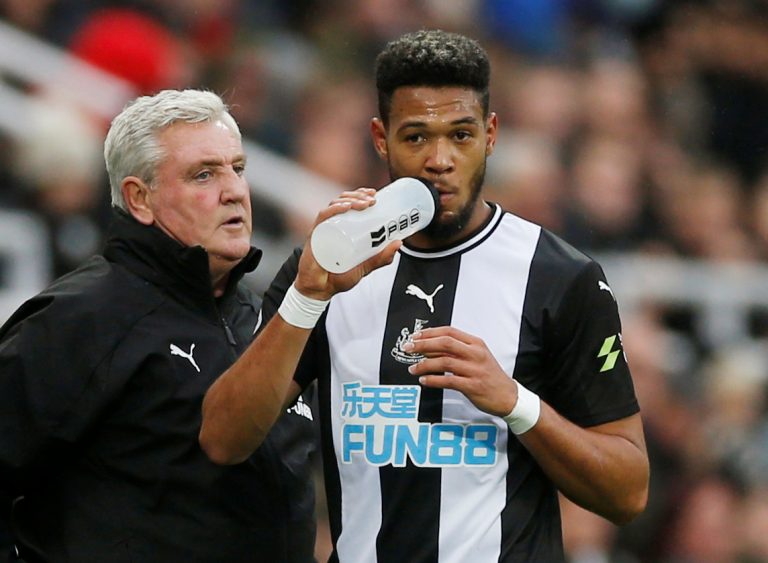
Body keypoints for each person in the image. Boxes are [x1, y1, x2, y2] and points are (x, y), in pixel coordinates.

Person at [200, 30, 650, 562]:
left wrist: (515, 402)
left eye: (460, 135)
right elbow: (223, 440)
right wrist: (305, 297)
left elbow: (627, 490)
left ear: (491, 134)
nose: (440, 159)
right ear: (380, 138)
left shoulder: (558, 277)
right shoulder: (326, 267)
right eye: (416, 137)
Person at [0, 89, 318, 562]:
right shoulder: (82, 318)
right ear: (140, 198)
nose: (233, 190)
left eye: (238, 168)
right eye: (204, 174)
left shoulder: (264, 320)